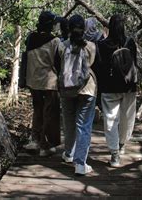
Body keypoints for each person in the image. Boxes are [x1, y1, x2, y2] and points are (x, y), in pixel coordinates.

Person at [55, 15, 98, 175]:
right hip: (87, 89)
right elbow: (93, 64)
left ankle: (68, 154)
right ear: (84, 28)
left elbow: (57, 66)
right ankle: (80, 164)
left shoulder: (61, 46)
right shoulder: (91, 46)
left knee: (69, 122)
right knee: (84, 125)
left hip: (67, 89)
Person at [95, 14, 137, 167]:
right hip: (129, 86)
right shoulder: (130, 42)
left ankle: (114, 155)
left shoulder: (101, 44)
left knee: (111, 120)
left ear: (109, 27)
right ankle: (122, 144)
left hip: (109, 87)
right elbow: (135, 63)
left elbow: (99, 68)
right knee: (127, 119)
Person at [24, 11, 61, 156]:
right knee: (49, 112)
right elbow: (58, 62)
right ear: (50, 25)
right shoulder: (55, 41)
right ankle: (45, 145)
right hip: (49, 82)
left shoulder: (31, 38)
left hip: (33, 81)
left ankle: (34, 141)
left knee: (37, 110)